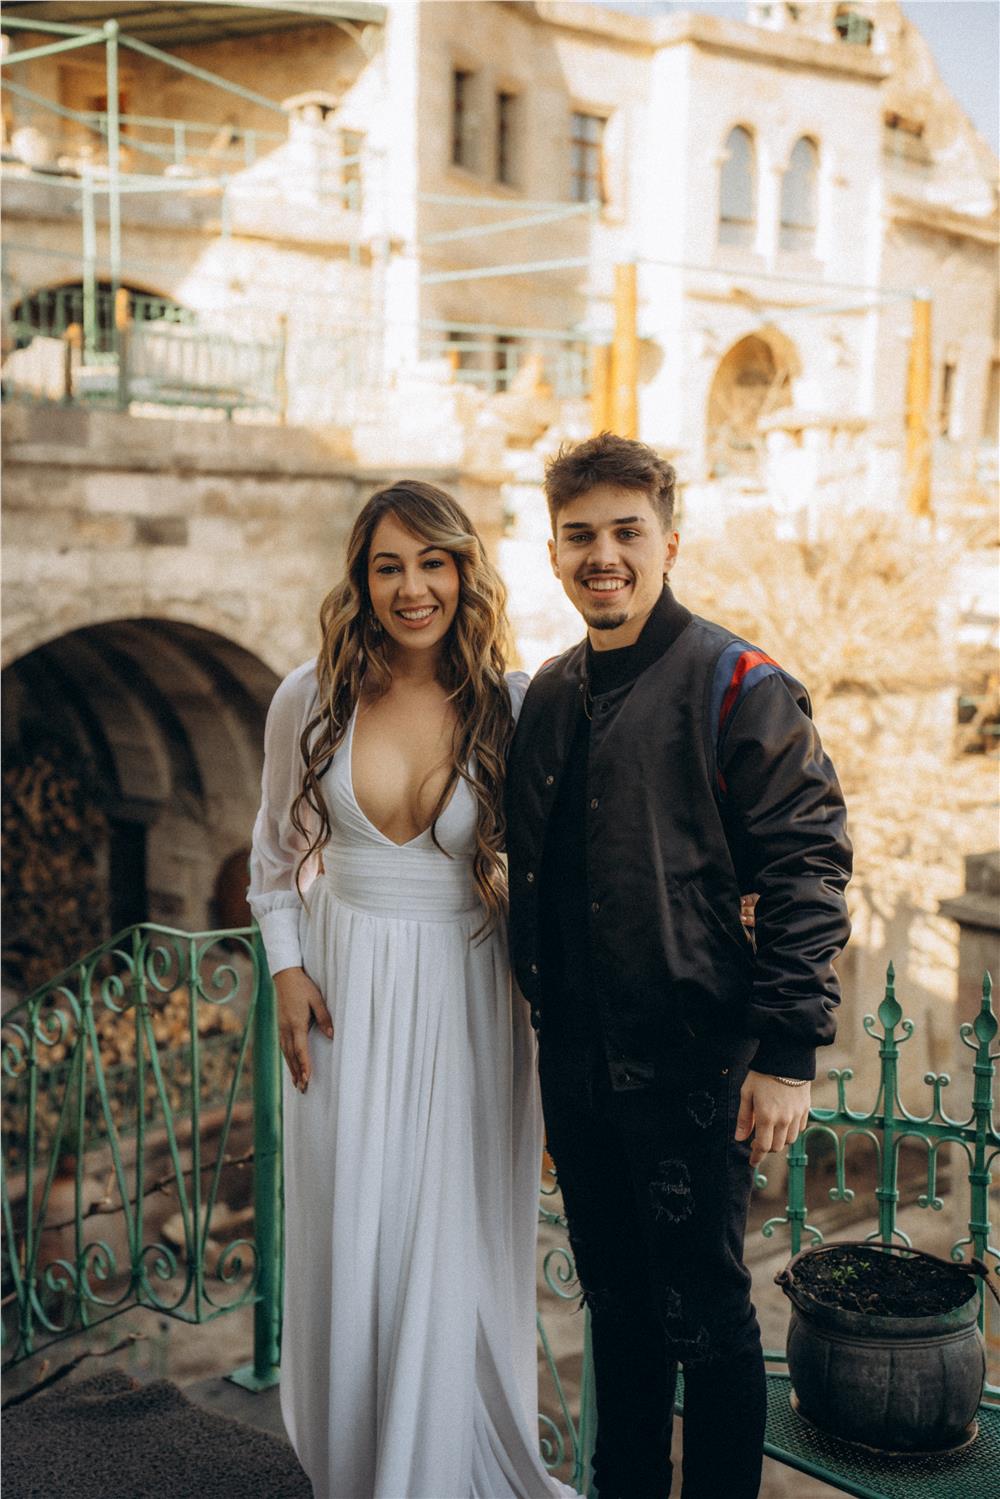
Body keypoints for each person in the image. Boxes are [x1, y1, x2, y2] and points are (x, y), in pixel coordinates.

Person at [505, 432, 852, 1499]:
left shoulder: (738, 681)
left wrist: (787, 1051)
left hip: (696, 1063)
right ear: (553, 552)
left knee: (704, 1314)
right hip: (577, 1062)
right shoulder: (550, 691)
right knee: (614, 1305)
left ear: (669, 541)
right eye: (580, 536)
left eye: (627, 531)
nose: (602, 556)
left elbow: (806, 863)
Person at [248, 481, 576, 1499]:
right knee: (351, 1224)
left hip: (470, 992)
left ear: (464, 572)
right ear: (361, 580)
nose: (412, 586)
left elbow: (565, 863)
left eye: (432, 562)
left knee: (450, 1229)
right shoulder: (310, 698)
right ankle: (357, 1464)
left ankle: (439, 1466)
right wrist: (287, 967)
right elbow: (272, 859)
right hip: (341, 991)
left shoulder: (510, 704)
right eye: (387, 566)